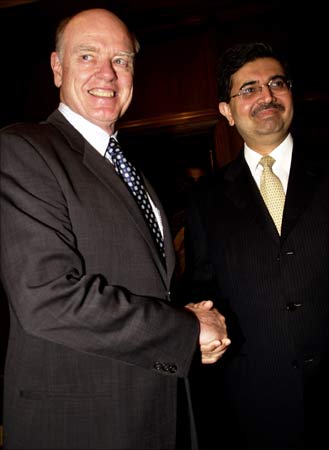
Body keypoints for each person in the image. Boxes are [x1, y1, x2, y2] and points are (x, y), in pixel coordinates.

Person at [0, 8, 231, 450]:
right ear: (56, 67)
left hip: (158, 414)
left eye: (122, 60)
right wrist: (184, 329)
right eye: (87, 56)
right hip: (81, 426)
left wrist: (189, 319)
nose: (107, 73)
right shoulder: (22, 149)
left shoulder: (132, 170)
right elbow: (47, 298)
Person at [184, 41, 329, 450]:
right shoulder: (205, 198)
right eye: (249, 88)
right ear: (227, 112)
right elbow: (202, 287)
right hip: (253, 410)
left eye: (276, 83)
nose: (266, 95)